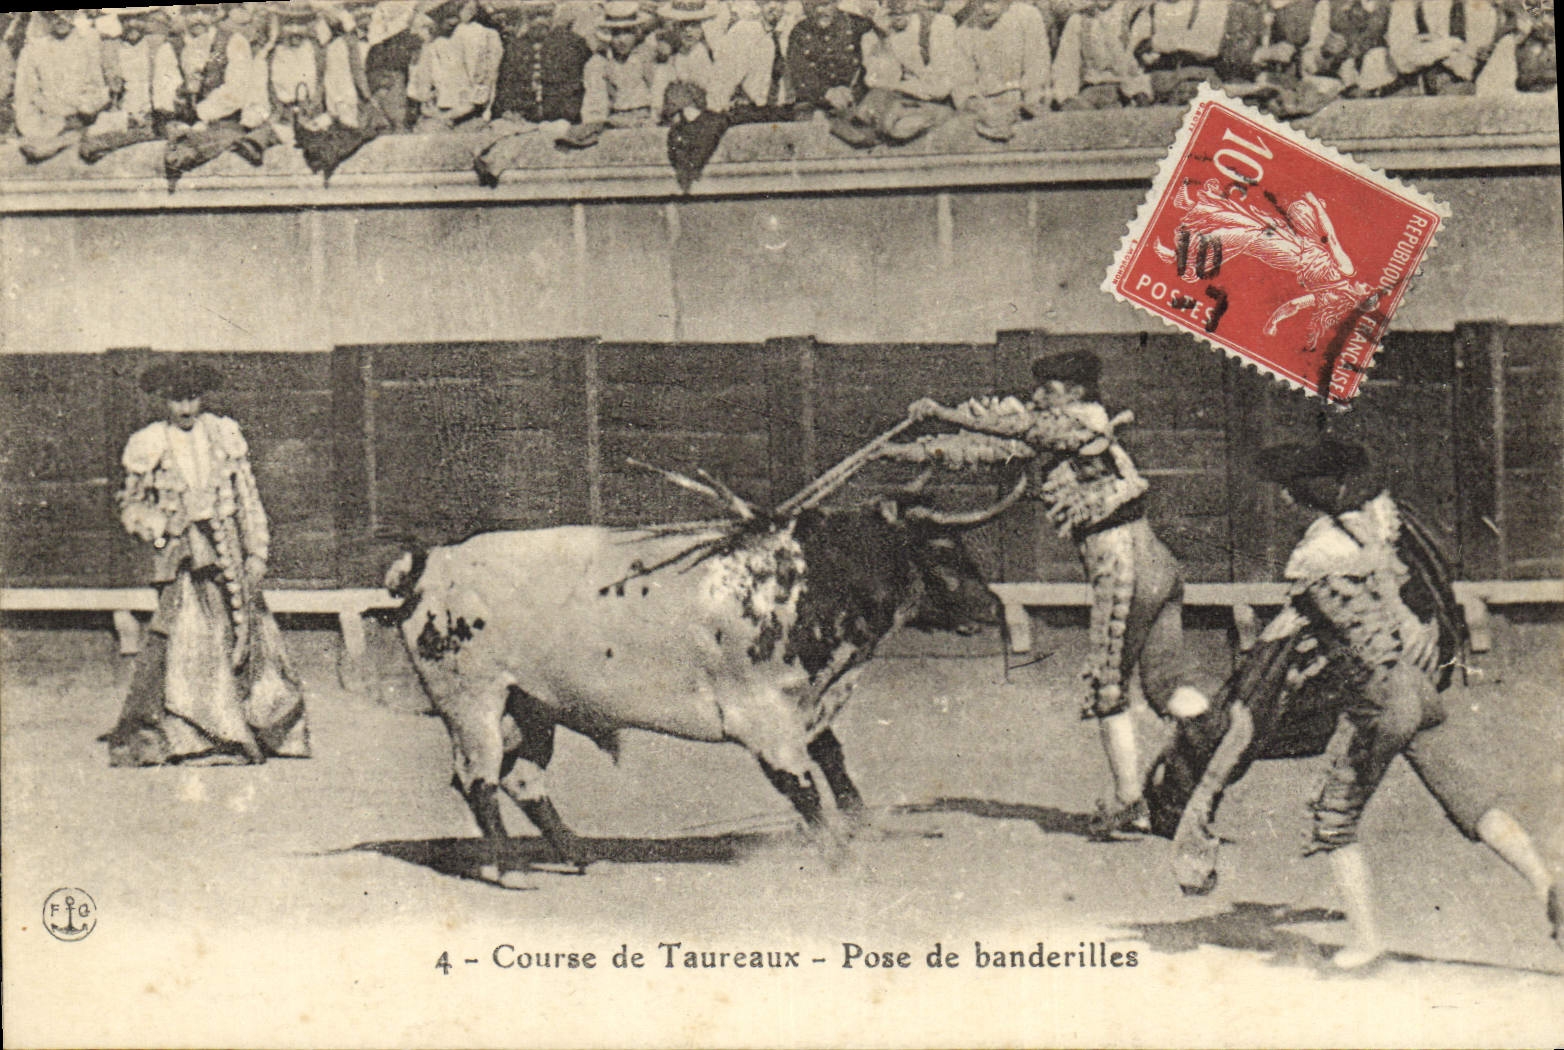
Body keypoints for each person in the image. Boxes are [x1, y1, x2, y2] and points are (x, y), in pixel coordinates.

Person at [1155, 437, 1560, 969]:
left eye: (1290, 492)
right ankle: (1547, 884)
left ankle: (1365, 945)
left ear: (1308, 497)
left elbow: (1285, 647)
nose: (1283, 501)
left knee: (1334, 820)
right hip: (1419, 689)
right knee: (1467, 796)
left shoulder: (1321, 555)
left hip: (1379, 704)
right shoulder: (1384, 527)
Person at [909, 350, 1213, 836]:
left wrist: (944, 412)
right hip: (1156, 559)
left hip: (1122, 563)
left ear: (1075, 391)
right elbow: (995, 448)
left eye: (1048, 389)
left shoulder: (1084, 422)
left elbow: (1028, 431)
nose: (1037, 396)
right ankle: (1206, 776)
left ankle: (1130, 800)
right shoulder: (1074, 427)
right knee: (1166, 682)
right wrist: (919, 448)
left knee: (1108, 686)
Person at [103, 361, 308, 769]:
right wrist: (164, 530)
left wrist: (257, 552)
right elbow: (131, 505)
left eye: (193, 397)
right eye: (177, 398)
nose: (186, 407)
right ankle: (199, 735)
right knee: (189, 638)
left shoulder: (223, 433)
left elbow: (248, 499)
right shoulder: (150, 442)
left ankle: (258, 727)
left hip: (227, 549)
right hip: (182, 557)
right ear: (164, 400)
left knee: (249, 633)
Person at [12, 9, 111, 162]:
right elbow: (24, 99)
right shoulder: (33, 50)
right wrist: (37, 130)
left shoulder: (88, 44)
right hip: (46, 125)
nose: (61, 20)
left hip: (82, 121)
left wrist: (85, 110)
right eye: (53, 16)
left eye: (67, 13)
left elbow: (98, 89)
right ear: (45, 17)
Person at [945, 0, 1050, 140]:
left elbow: (1037, 65)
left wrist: (1030, 98)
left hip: (1022, 102)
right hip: (986, 105)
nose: (986, 8)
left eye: (993, 2)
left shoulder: (1027, 16)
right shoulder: (966, 30)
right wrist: (973, 101)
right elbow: (962, 79)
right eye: (980, 2)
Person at [1052, 0, 1155, 109]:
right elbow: (1066, 66)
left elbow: (1138, 67)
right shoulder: (1079, 19)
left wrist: (1138, 93)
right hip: (1090, 91)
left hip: (1126, 93)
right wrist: (1067, 98)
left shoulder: (1133, 13)